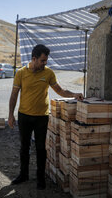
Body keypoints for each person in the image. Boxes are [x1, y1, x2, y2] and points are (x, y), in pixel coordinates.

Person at [8, 44, 84, 190]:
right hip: (24, 116)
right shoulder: (21, 73)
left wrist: (74, 94)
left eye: (46, 61)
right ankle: (23, 175)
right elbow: (14, 95)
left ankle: (40, 178)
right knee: (24, 147)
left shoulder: (48, 73)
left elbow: (60, 90)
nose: (44, 63)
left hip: (41, 117)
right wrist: (10, 115)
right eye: (42, 61)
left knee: (41, 148)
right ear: (34, 59)